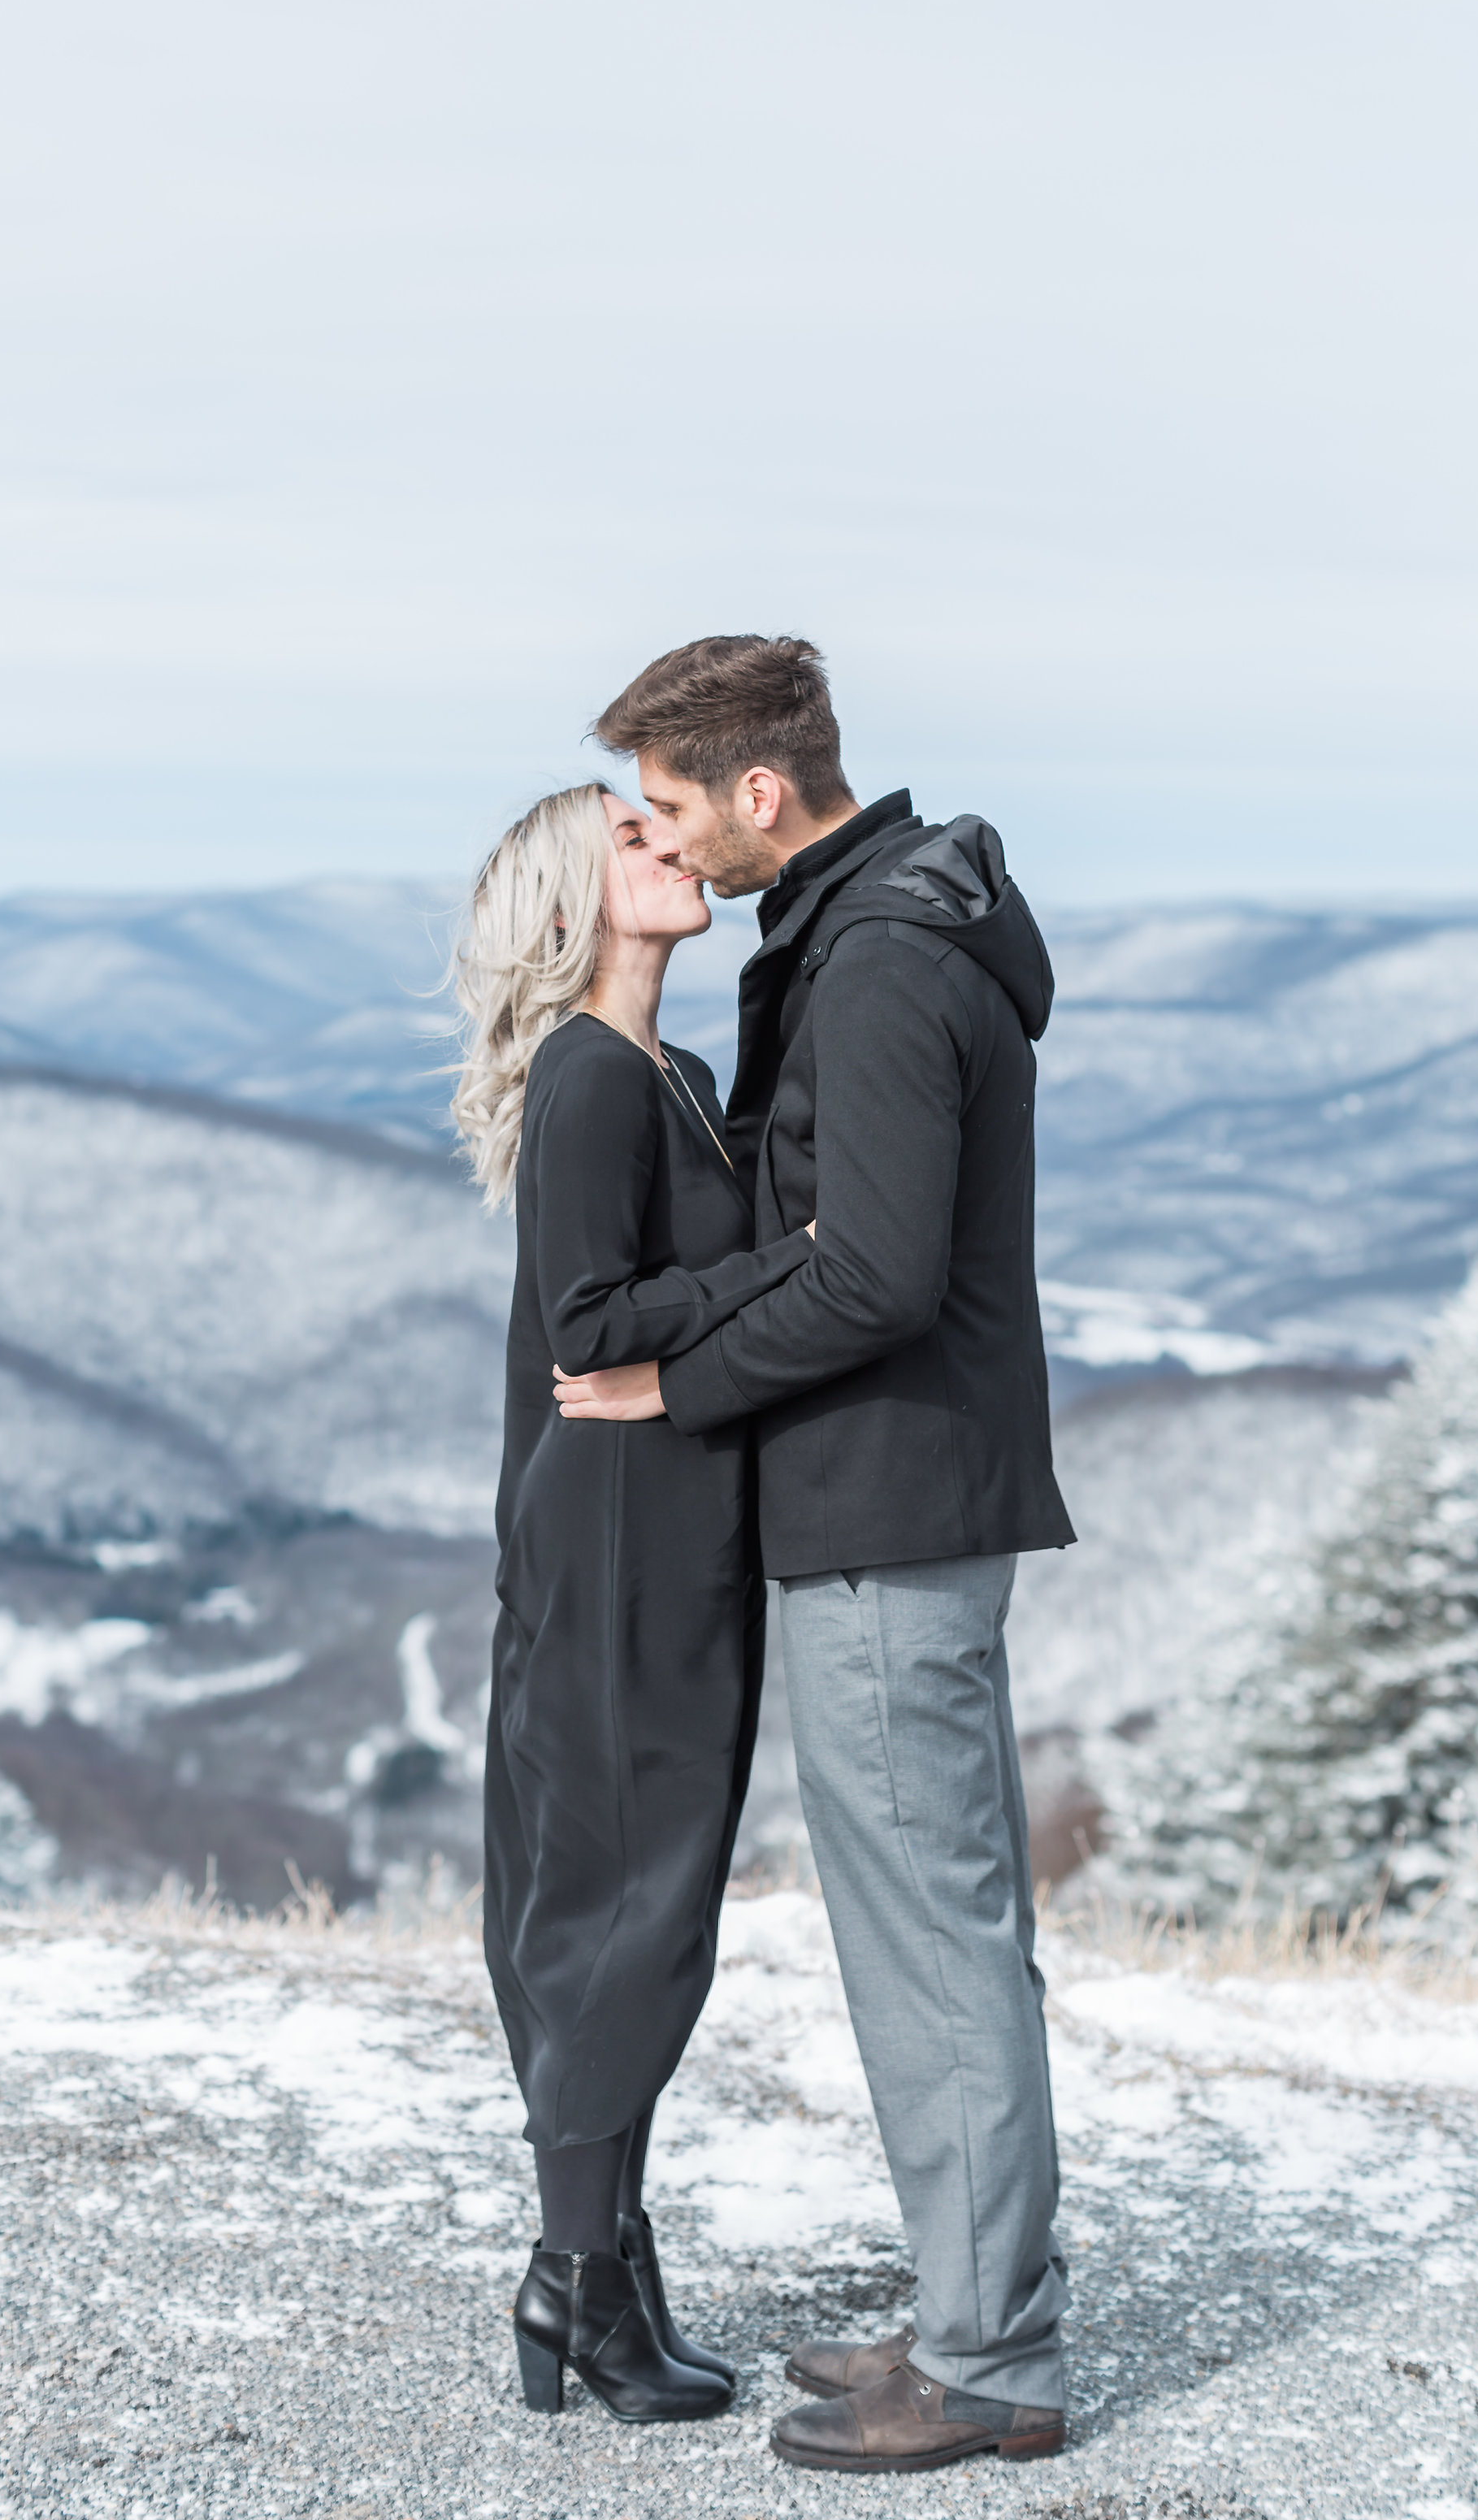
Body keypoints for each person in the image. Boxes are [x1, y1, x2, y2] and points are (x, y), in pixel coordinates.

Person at [556, 636, 1075, 2474]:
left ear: (762, 791)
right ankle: (973, 2308)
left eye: (682, 804)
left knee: (931, 1944)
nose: (676, 845)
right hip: (899, 1497)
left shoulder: (872, 968)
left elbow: (870, 1272)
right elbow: (832, 1237)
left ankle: (994, 2357)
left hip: (889, 1503)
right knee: (940, 1930)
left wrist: (668, 1381)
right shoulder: (870, 930)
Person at [451, 780, 814, 2422]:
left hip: (661, 1531)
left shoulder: (669, 1070)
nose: (676, 846)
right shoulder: (595, 1076)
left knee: (641, 1905)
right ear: (573, 905)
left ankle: (597, 2262)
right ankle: (576, 2285)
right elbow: (593, 1328)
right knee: (622, 1909)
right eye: (637, 838)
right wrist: (787, 1265)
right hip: (615, 1543)